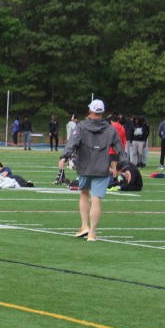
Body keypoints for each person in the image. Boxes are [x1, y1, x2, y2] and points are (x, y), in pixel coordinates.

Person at [58, 99, 127, 242]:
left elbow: (72, 143)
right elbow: (120, 149)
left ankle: (84, 226)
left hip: (85, 167)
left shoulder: (81, 126)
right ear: (102, 112)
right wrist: (124, 165)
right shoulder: (111, 129)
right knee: (96, 199)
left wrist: (64, 157)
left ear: (90, 111)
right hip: (102, 168)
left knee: (84, 194)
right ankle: (92, 233)